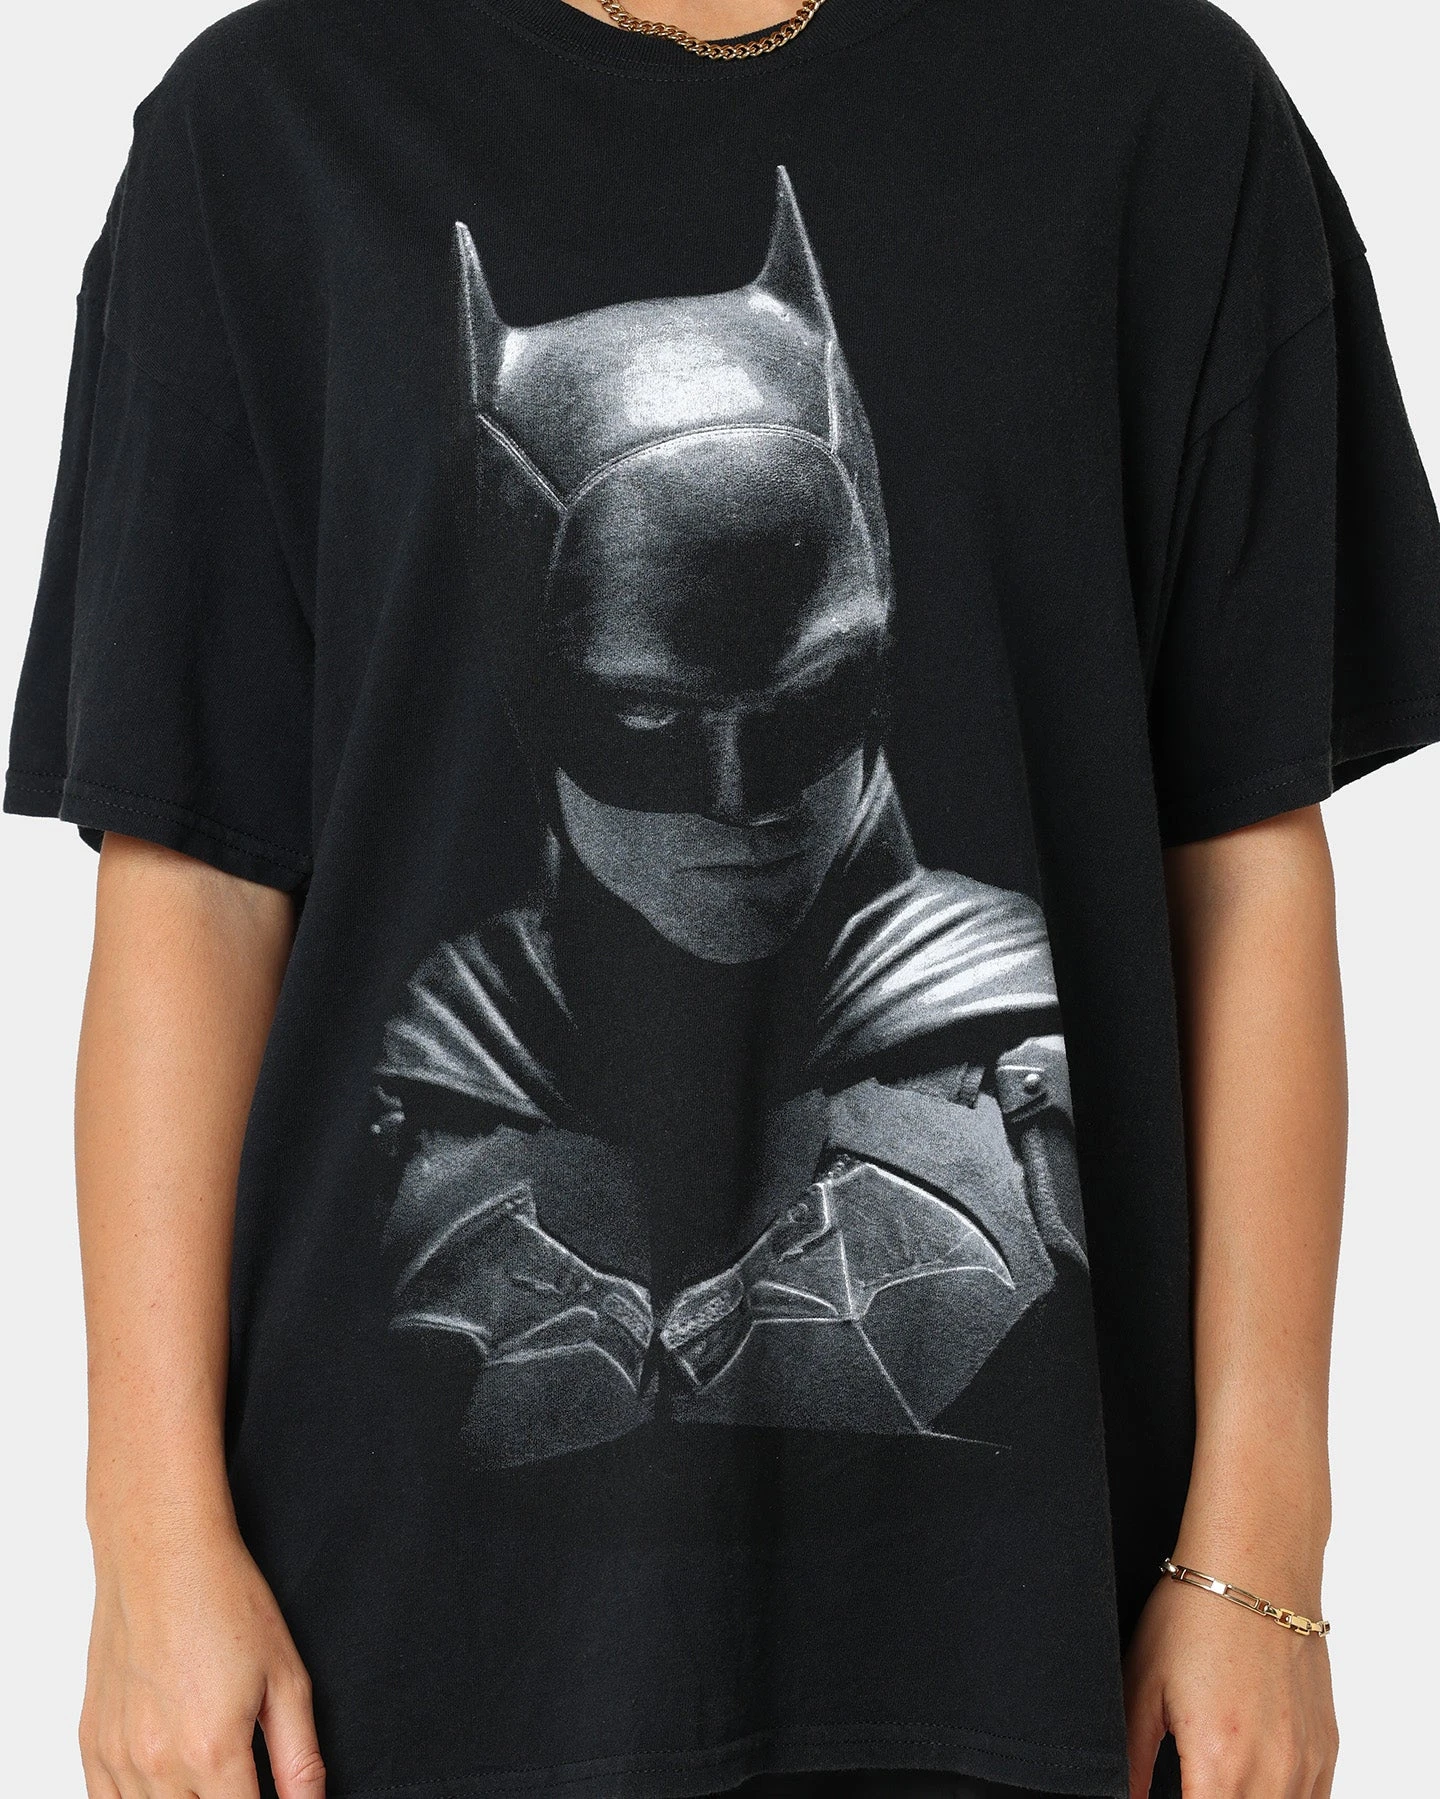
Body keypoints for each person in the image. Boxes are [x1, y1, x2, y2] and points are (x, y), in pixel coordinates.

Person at [5, 2, 1438, 1797]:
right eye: (647, 728)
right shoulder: (268, 137)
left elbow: (1242, 859)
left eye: (817, 706)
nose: (749, 801)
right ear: (547, 701)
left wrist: (1262, 1555)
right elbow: (194, 883)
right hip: (379, 1650)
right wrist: (147, 1542)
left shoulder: (1156, 112)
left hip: (1028, 1631)